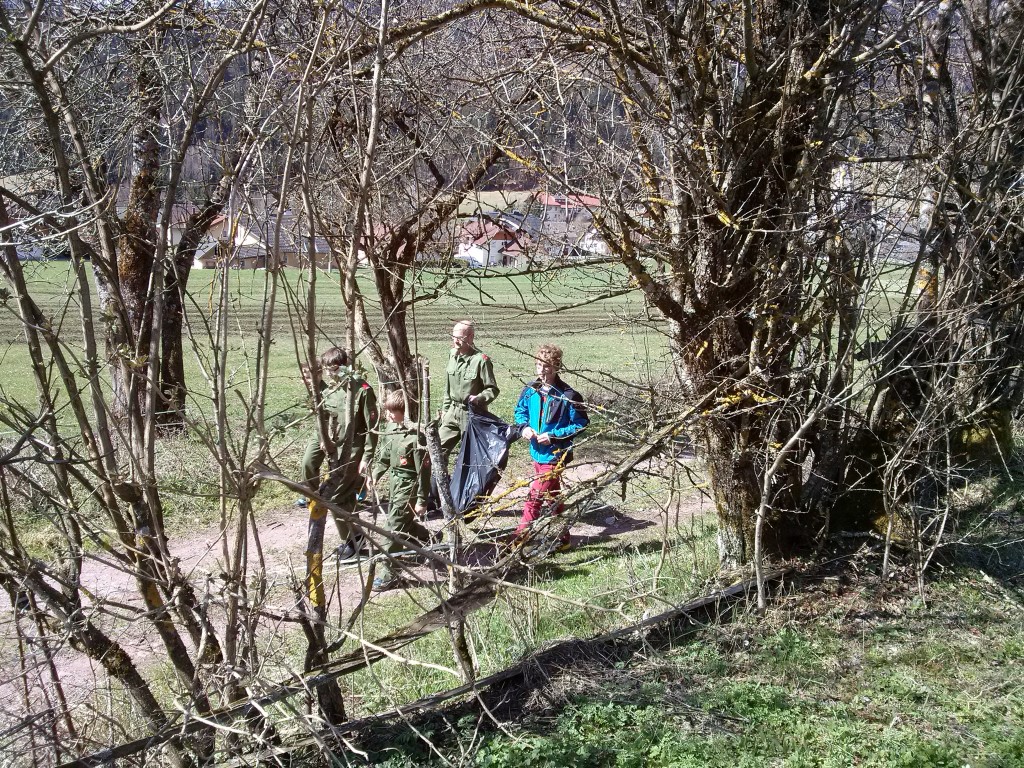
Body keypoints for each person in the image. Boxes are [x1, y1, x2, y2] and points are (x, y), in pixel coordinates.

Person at [301, 347, 378, 559]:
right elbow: (323, 416)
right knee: (336, 492)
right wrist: (324, 440)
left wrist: (367, 457)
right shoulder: (329, 389)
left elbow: (372, 428)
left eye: (334, 369)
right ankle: (351, 532)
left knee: (337, 496)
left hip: (352, 449)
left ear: (345, 367)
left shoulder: (362, 390)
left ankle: (353, 541)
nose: (330, 374)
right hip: (331, 443)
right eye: (327, 370)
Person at [513, 343, 588, 550]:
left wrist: (554, 436)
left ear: (556, 367)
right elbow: (520, 413)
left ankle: (518, 540)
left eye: (546, 366)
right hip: (536, 453)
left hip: (556, 455)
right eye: (538, 365)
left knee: (534, 498)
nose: (541, 370)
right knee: (552, 497)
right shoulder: (530, 390)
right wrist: (524, 428)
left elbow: (582, 423)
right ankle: (563, 539)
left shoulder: (569, 395)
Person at [367, 390, 432, 591]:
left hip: (410, 485)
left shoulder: (417, 436)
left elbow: (423, 472)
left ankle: (389, 574)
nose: (388, 416)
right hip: (395, 483)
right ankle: (428, 539)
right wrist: (375, 474)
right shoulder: (391, 428)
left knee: (393, 528)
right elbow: (384, 456)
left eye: (393, 412)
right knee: (403, 520)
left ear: (405, 412)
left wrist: (421, 499)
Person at [438, 320, 500, 464]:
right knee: (437, 450)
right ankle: (439, 484)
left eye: (460, 338)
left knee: (471, 456)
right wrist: (445, 410)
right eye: (453, 337)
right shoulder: (452, 355)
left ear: (471, 337)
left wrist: (480, 398)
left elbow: (493, 389)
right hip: (452, 412)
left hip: (471, 413)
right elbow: (449, 388)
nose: (456, 341)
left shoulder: (481, 360)